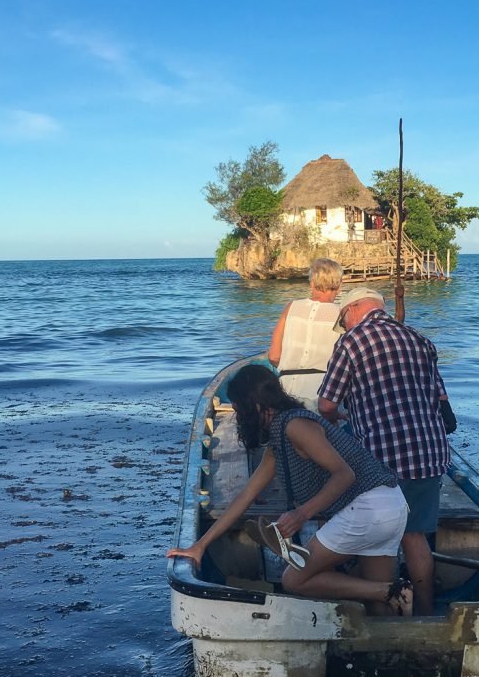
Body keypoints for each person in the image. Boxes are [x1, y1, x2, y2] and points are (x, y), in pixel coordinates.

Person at [167, 364, 412, 615]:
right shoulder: (281, 436)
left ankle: (392, 591)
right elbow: (246, 496)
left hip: (367, 510)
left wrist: (301, 514)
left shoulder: (296, 426)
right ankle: (395, 606)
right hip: (391, 506)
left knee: (295, 580)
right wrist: (200, 546)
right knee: (379, 608)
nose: (239, 420)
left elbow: (344, 474)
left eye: (240, 412)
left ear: (257, 406)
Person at [318, 287, 451, 615]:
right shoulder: (418, 338)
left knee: (375, 537)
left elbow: (325, 404)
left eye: (344, 320)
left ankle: (381, 609)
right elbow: (440, 397)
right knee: (413, 534)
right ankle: (425, 611)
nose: (345, 326)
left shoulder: (351, 341)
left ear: (353, 310)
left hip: (383, 457)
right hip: (430, 452)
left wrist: (340, 415)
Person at [267, 258, 343, 411]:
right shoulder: (342, 314)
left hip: (285, 390)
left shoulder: (291, 307)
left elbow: (274, 356)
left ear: (311, 283)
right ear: (339, 286)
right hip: (321, 393)